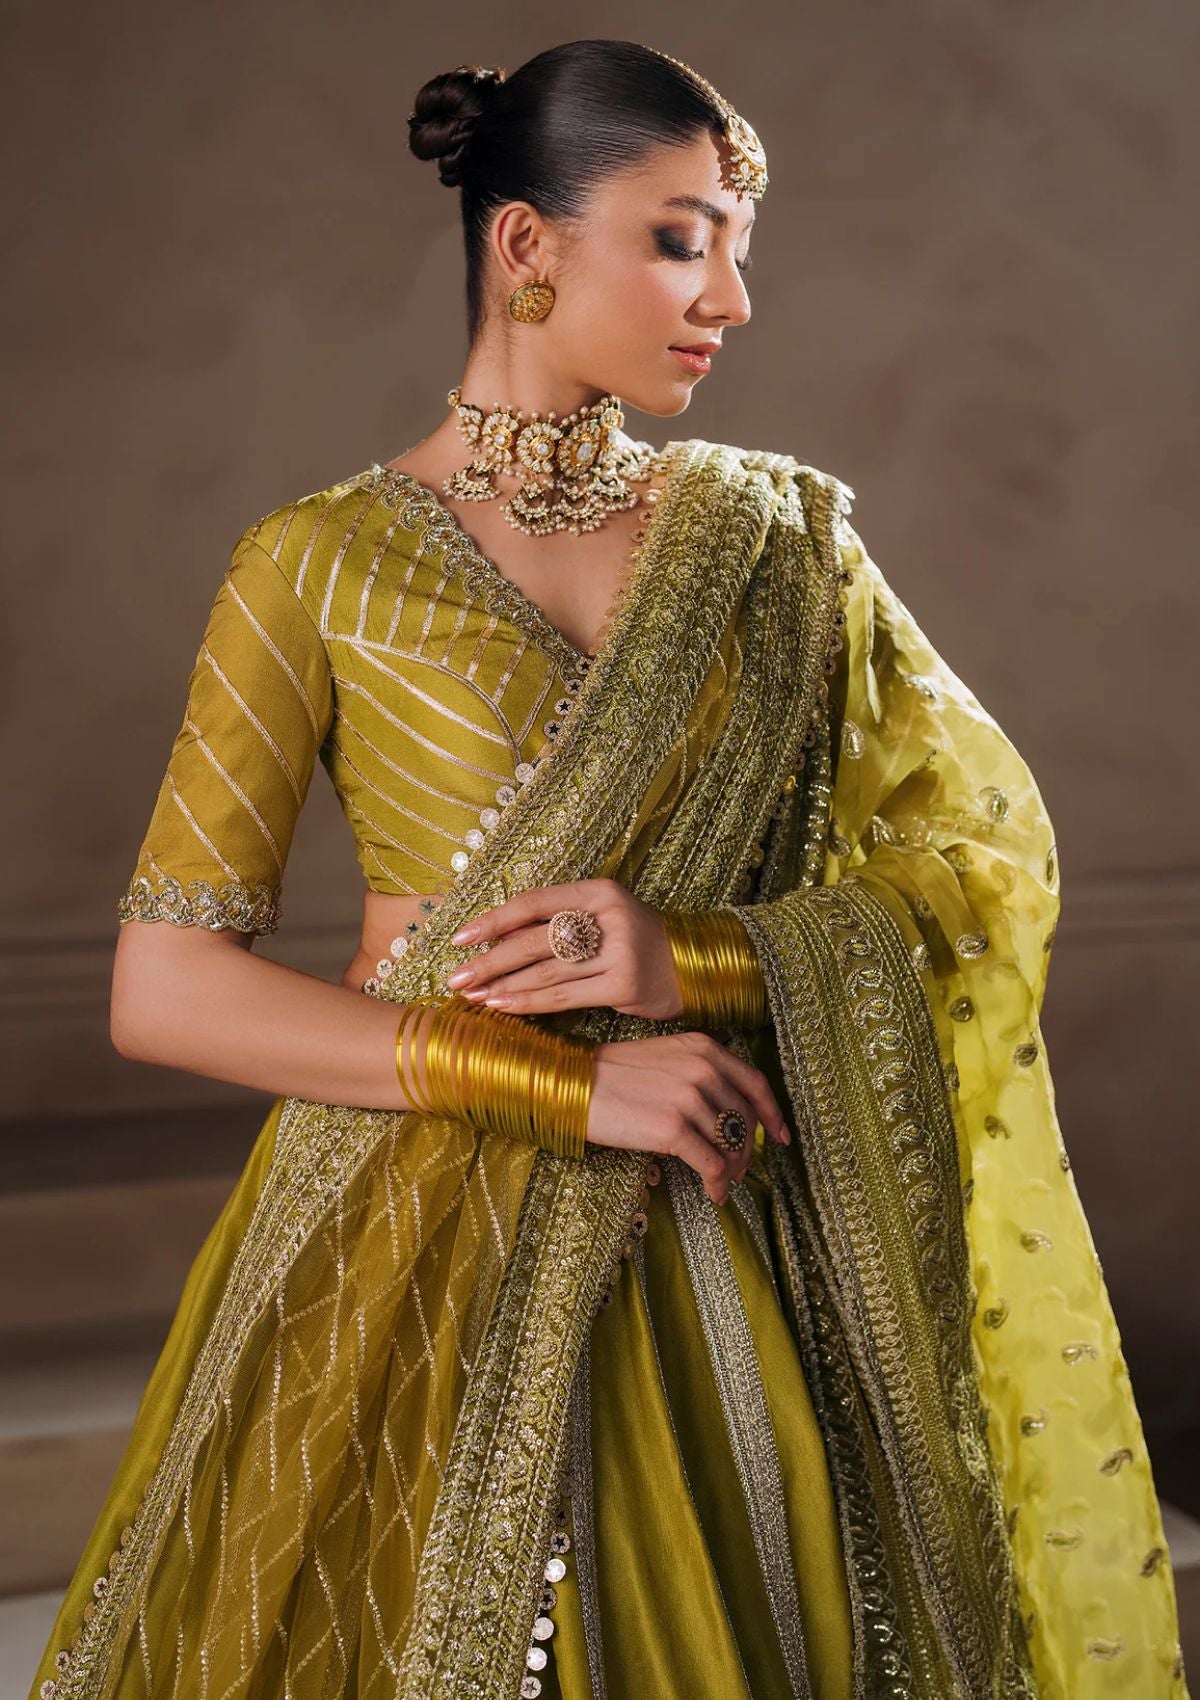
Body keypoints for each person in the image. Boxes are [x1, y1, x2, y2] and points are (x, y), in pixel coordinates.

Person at [30, 37, 1189, 1700]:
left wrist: (698, 956)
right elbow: (165, 986)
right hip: (412, 1228)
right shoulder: (316, 565)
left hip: (738, 1200)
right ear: (526, 244)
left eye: (738, 248)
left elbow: (983, 859)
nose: (731, 298)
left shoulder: (783, 539)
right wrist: (569, 1089)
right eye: (681, 240)